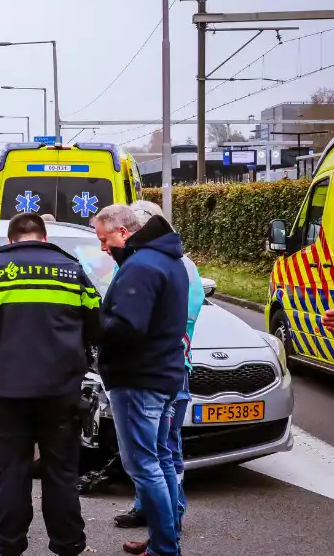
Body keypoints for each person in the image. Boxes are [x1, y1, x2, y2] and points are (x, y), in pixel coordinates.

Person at [0, 213, 98, 556]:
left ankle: (9, 543)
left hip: (5, 391)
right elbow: (96, 323)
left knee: (13, 470)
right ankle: (67, 543)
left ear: (10, 240)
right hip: (60, 392)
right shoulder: (71, 270)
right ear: (44, 238)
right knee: (61, 471)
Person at [91, 203, 188, 556]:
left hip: (138, 379)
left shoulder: (141, 266)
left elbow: (128, 326)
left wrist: (91, 325)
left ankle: (165, 547)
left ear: (123, 233)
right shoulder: (166, 259)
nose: (104, 248)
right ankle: (167, 538)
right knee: (160, 459)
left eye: (104, 240)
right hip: (163, 374)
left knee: (143, 465)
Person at [116, 201, 205, 548]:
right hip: (166, 369)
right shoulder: (161, 262)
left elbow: (172, 319)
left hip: (166, 370)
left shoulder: (168, 265)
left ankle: (170, 530)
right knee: (157, 452)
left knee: (164, 451)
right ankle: (159, 529)